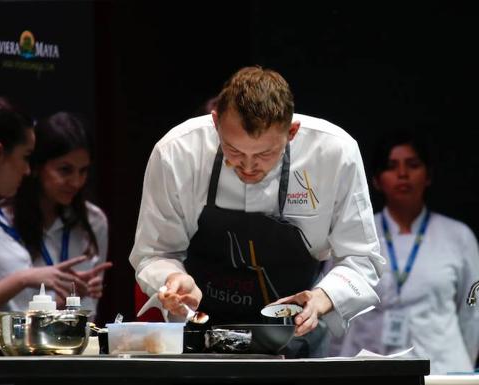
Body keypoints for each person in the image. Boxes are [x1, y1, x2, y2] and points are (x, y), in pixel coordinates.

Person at [129, 66, 385, 356]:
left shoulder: (336, 154)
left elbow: (361, 258)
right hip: (200, 341)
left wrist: (323, 297)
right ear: (216, 123)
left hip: (295, 338)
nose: (248, 167)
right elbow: (154, 253)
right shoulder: (176, 153)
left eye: (264, 154)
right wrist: (173, 280)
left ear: (292, 132)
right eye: (234, 151)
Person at [328, 129, 479, 373]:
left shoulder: (458, 236)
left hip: (443, 369)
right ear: (376, 180)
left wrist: (463, 371)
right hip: (368, 370)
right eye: (391, 166)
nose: (402, 174)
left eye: (413, 164)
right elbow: (333, 309)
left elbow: (473, 313)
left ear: (428, 175)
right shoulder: (353, 234)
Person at [0, 96, 91, 319]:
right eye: (25, 158)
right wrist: (24, 278)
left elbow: (16, 307)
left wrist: (59, 302)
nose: (27, 171)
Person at [11, 111, 112, 319]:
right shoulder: (5, 219)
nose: (76, 182)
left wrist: (79, 294)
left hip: (75, 343)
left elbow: (90, 311)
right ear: (37, 167)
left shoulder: (95, 221)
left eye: (83, 171)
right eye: (65, 170)